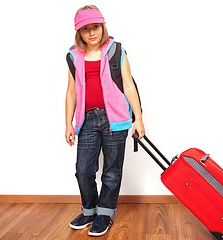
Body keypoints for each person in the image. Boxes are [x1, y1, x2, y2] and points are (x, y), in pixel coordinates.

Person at [65, 5, 145, 237]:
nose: (92, 33)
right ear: (79, 32)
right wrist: (68, 123)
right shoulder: (73, 56)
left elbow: (128, 85)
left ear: (103, 26)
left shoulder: (116, 51)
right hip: (88, 119)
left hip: (115, 119)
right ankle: (89, 211)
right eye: (86, 29)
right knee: (84, 170)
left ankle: (105, 214)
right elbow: (71, 92)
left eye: (96, 27)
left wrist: (138, 119)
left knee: (111, 171)